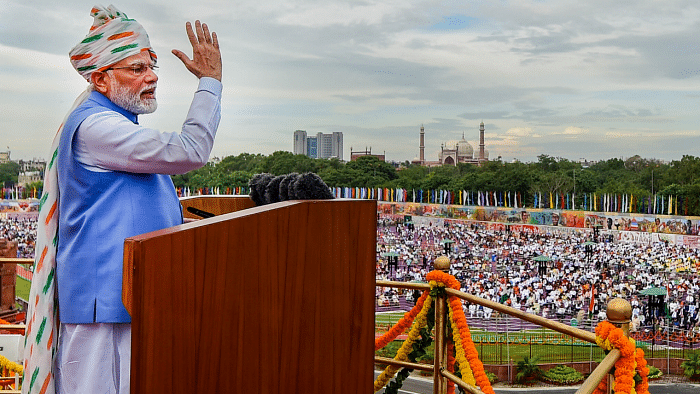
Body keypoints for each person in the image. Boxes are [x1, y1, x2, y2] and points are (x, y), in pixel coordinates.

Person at [23, 5, 222, 394]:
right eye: (136, 69)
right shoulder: (97, 127)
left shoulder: (115, 126)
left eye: (152, 67)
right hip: (106, 310)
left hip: (130, 301)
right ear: (100, 79)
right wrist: (210, 83)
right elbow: (191, 149)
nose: (151, 78)